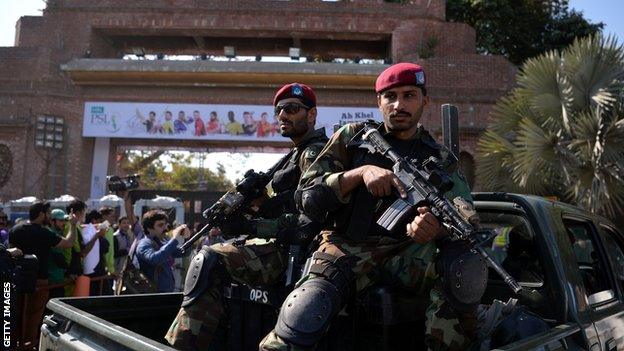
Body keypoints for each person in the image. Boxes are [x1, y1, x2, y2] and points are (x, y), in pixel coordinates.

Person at [259, 63, 482, 351]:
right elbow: (308, 197)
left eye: (409, 95)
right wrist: (358, 174)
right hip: (347, 246)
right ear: (379, 102)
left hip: (408, 253)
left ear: (424, 101)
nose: (399, 104)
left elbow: (467, 220)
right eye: (390, 96)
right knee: (305, 309)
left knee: (463, 271)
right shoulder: (352, 138)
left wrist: (435, 229)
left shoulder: (441, 159)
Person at [165, 82, 329, 350]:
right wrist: (254, 205)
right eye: (279, 111)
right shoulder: (294, 155)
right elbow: (284, 207)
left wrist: (252, 226)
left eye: (292, 109)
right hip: (281, 248)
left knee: (210, 259)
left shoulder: (315, 153)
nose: (283, 116)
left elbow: (307, 223)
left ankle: (184, 345)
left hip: (297, 253)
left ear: (311, 115)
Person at [8, 202, 78, 347]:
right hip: (38, 284)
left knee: (16, 319)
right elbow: (69, 243)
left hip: (16, 283)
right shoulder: (43, 233)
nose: (50, 215)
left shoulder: (15, 230)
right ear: (41, 214)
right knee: (33, 321)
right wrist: (73, 224)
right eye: (48, 212)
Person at [135, 209, 191, 292]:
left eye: (165, 225)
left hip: (165, 292)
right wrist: (174, 239)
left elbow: (184, 252)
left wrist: (186, 238)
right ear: (149, 228)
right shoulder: (143, 244)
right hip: (153, 294)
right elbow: (155, 259)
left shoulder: (161, 242)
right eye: (160, 225)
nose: (165, 228)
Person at [47, 209, 72, 298]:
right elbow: (58, 258)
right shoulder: (51, 234)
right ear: (52, 221)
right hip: (53, 280)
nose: (64, 222)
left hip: (59, 278)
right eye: (61, 220)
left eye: (65, 220)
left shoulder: (60, 232)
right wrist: (69, 271)